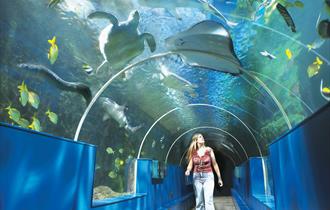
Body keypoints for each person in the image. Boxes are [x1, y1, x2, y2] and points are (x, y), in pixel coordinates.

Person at [185, 133, 223, 210]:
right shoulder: (193, 152)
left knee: (208, 200)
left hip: (208, 176)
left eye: (202, 137)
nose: (202, 138)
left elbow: (215, 164)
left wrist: (219, 178)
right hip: (196, 177)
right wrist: (188, 170)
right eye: (200, 137)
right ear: (196, 140)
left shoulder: (209, 150)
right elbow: (190, 164)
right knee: (199, 201)